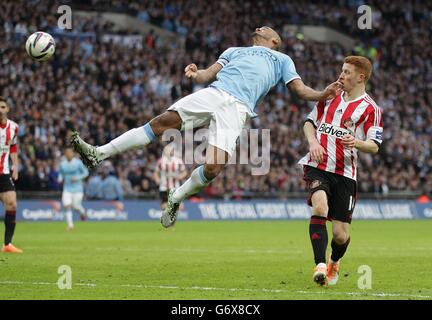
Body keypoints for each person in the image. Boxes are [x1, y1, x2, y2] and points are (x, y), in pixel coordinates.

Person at [71, 26, 341, 228]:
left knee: (213, 168)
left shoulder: (281, 60)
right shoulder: (234, 51)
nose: (258, 28)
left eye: (265, 28)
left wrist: (322, 94)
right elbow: (207, 74)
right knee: (161, 123)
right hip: (214, 92)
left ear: (274, 41)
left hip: (238, 108)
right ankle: (98, 153)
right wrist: (195, 73)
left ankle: (176, 197)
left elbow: (299, 89)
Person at [298, 56, 383, 286]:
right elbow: (308, 122)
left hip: (345, 173)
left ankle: (334, 261)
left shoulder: (371, 109)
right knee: (319, 207)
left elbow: (374, 146)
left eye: (346, 72)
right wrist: (313, 143)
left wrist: (355, 142)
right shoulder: (331, 94)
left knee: (340, 234)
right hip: (318, 165)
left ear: (360, 77)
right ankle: (320, 265)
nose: (341, 75)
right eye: (341, 70)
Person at [0, 97, 22, 253]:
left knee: (12, 204)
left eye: (2, 106)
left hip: (3, 172)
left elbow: (13, 147)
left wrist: (15, 166)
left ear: (7, 109)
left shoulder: (14, 127)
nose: (0, 110)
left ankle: (7, 244)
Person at [59, 148, 89, 231]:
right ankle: (70, 225)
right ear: (65, 155)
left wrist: (78, 177)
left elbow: (86, 173)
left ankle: (82, 212)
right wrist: (60, 179)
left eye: (70, 153)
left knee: (76, 206)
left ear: (72, 154)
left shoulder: (78, 163)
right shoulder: (62, 164)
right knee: (67, 205)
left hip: (78, 189)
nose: (68, 155)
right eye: (66, 153)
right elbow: (61, 174)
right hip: (67, 189)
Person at [153, 145, 187, 210]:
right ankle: (166, 218)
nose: (169, 151)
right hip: (164, 187)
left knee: (178, 205)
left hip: (175, 187)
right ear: (165, 151)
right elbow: (156, 172)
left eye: (170, 150)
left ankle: (175, 218)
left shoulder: (178, 161)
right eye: (167, 150)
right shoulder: (161, 161)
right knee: (164, 205)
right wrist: (157, 179)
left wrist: (180, 176)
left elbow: (184, 172)